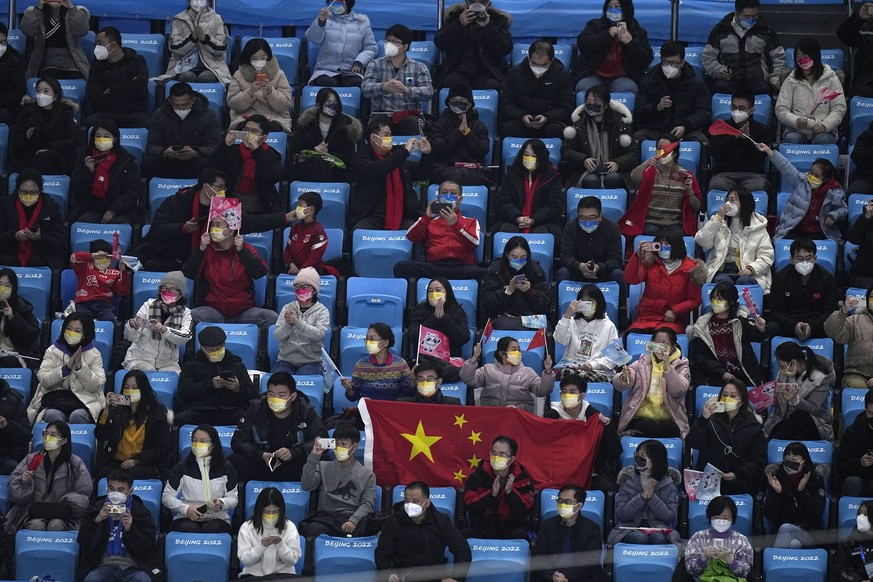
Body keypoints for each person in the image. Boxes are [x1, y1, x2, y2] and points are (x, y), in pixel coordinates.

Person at [133, 168, 294, 272]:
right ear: (206, 187)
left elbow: (254, 222)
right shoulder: (176, 202)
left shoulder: (224, 207)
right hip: (174, 256)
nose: (223, 191)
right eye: (220, 186)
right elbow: (157, 229)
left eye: (224, 187)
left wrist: (285, 217)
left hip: (210, 262)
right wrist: (182, 228)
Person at [182, 216, 279, 330]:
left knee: (272, 317)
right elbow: (189, 274)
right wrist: (201, 249)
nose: (213, 229)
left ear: (231, 230)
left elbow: (260, 273)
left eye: (218, 225)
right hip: (213, 311)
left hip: (243, 312)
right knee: (189, 316)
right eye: (212, 225)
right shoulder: (206, 250)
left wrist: (242, 251)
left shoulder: (246, 249)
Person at [230, 371, 323, 483]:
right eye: (271, 394)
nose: (275, 398)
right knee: (235, 461)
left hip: (294, 464)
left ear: (293, 397)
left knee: (322, 461)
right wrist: (260, 455)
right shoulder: (255, 409)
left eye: (281, 395)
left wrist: (294, 452)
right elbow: (238, 441)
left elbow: (321, 439)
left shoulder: (305, 411)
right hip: (263, 463)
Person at [4, 420, 92, 533]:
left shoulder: (75, 464)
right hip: (32, 512)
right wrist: (25, 484)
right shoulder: (31, 460)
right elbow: (13, 493)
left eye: (53, 435)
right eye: (46, 433)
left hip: (63, 516)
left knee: (56, 525)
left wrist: (65, 502)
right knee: (35, 525)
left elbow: (83, 497)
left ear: (64, 440)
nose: (48, 437)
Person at [376, 480, 472, 582]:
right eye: (407, 501)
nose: (410, 505)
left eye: (415, 501)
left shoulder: (441, 520)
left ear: (427, 502)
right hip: (402, 577)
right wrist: (388, 574)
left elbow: (462, 549)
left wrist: (456, 578)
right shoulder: (393, 522)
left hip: (434, 577)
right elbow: (382, 553)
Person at [393, 180, 489, 281]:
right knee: (401, 267)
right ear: (438, 197)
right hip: (435, 267)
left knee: (491, 274)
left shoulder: (471, 221)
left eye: (453, 193)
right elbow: (411, 236)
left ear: (460, 199)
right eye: (444, 192)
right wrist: (426, 218)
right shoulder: (430, 221)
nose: (448, 196)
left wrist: (456, 225)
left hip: (461, 267)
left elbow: (474, 243)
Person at [685, 381, 767, 495]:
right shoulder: (710, 420)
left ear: (742, 400)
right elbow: (693, 443)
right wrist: (703, 420)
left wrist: (737, 474)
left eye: (733, 396)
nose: (728, 398)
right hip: (710, 481)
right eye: (724, 395)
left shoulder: (753, 427)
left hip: (739, 481)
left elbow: (758, 461)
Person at [350, 114, 430, 230]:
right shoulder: (361, 157)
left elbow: (423, 173)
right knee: (359, 231)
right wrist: (403, 153)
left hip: (403, 215)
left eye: (390, 135)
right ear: (374, 137)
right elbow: (377, 169)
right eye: (386, 135)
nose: (390, 139)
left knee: (418, 231)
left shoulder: (397, 159)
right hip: (372, 215)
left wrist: (427, 155)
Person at [77, 469, 158, 582]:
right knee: (91, 579)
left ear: (130, 491)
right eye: (111, 489)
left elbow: (148, 549)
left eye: (120, 490)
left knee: (143, 580)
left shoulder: (141, 513)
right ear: (106, 488)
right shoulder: (94, 510)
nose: (115, 494)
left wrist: (131, 529)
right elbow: (84, 544)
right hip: (102, 566)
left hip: (134, 568)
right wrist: (97, 521)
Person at [545, 374, 621, 492]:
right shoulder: (550, 418)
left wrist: (607, 428)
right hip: (558, 471)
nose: (566, 395)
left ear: (582, 395)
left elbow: (613, 452)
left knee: (606, 488)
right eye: (563, 392)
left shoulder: (595, 418)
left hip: (590, 473)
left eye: (571, 392)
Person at [299, 422, 377, 537]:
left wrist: (353, 520)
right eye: (336, 443)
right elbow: (306, 485)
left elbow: (367, 504)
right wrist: (314, 456)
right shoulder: (322, 466)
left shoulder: (368, 475)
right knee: (309, 530)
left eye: (343, 444)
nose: (339, 447)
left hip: (351, 517)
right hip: (326, 518)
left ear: (354, 446)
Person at [759, 143, 847, 241]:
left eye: (816, 176)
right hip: (793, 230)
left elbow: (843, 209)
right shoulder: (801, 181)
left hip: (818, 234)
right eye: (811, 173)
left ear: (826, 179)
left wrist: (832, 215)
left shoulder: (835, 192)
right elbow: (786, 167)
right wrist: (770, 152)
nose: (812, 177)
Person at [29, 313, 106, 424]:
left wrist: (80, 368)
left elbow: (96, 386)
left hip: (85, 401)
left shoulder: (94, 354)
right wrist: (66, 368)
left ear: (84, 334)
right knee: (52, 415)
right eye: (69, 329)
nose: (71, 333)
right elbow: (44, 380)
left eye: (77, 331)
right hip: (54, 400)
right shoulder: (52, 351)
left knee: (78, 415)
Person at [624, 230, 706, 334]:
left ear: (676, 245)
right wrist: (637, 257)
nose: (662, 247)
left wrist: (675, 311)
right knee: (629, 335)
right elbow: (630, 279)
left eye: (667, 244)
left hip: (672, 320)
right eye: (660, 244)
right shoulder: (650, 263)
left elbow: (694, 300)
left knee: (661, 338)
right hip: (647, 318)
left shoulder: (690, 269)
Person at [94, 371, 171, 481]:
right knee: (104, 473)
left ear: (143, 389)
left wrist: (137, 460)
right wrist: (106, 411)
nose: (130, 391)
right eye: (126, 387)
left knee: (130, 475)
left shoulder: (156, 413)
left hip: (144, 462)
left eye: (134, 387)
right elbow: (101, 435)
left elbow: (161, 449)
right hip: (117, 462)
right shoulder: (116, 410)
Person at [613, 328, 690, 438]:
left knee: (669, 429)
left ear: (673, 346)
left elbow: (678, 391)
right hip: (640, 416)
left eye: (665, 343)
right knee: (651, 428)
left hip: (670, 417)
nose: (660, 346)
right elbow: (620, 385)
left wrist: (667, 364)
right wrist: (624, 378)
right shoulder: (641, 362)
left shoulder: (682, 366)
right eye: (657, 342)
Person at [162, 424, 239, 534]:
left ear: (213, 445)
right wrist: (185, 509)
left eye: (203, 441)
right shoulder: (181, 467)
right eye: (195, 440)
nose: (198, 444)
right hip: (187, 517)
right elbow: (167, 497)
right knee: (189, 529)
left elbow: (233, 498)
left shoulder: (226, 467)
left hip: (217, 518)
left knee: (211, 529)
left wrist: (222, 503)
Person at [690, 283, 769, 388]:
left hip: (744, 376)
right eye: (713, 298)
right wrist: (721, 372)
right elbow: (700, 358)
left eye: (720, 299)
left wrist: (761, 329)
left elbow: (759, 337)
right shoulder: (701, 325)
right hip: (715, 376)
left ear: (731, 302)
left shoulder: (741, 320)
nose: (715, 301)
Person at [695, 188, 774, 291]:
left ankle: (746, 307)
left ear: (745, 203)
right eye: (727, 200)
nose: (728, 203)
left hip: (748, 271)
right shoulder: (719, 222)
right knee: (724, 283)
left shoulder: (758, 227)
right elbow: (702, 241)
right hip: (722, 270)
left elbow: (767, 255)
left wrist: (752, 269)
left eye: (733, 200)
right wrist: (718, 218)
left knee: (745, 282)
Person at [176, 326, 257, 426]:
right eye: (211, 349)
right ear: (202, 348)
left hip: (231, 410)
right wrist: (210, 385)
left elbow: (252, 395)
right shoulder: (191, 366)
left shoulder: (237, 365)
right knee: (180, 419)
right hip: (201, 411)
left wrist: (238, 388)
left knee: (250, 419)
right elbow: (184, 393)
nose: (215, 351)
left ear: (224, 345)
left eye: (219, 348)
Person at [361, 23, 434, 135]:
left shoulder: (419, 67)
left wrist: (406, 90)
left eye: (394, 41)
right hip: (382, 113)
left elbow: (428, 92)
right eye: (387, 40)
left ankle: (413, 152)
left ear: (405, 46)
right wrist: (384, 87)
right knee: (378, 124)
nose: (388, 44)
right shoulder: (374, 64)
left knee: (411, 123)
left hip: (409, 114)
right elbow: (366, 89)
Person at [622, 138, 703, 237]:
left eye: (665, 149)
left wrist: (690, 191)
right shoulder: (650, 172)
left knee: (674, 236)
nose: (661, 152)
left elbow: (697, 206)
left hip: (676, 225)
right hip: (651, 223)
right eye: (659, 148)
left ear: (674, 154)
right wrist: (646, 163)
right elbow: (634, 177)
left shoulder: (686, 175)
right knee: (653, 232)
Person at [562, 85, 638, 190]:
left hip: (615, 172)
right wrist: (583, 159)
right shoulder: (579, 123)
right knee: (590, 180)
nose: (591, 105)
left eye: (596, 102)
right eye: (588, 102)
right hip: (585, 171)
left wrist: (618, 163)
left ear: (606, 105)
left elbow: (633, 153)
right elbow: (566, 150)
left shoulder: (620, 123)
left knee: (613, 178)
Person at [634, 41, 711, 144]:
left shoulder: (696, 83)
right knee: (637, 138)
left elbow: (704, 113)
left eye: (673, 63)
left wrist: (685, 126)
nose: (669, 67)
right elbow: (638, 113)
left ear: (682, 63)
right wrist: (657, 107)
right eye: (665, 62)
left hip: (684, 131)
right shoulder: (649, 82)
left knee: (701, 141)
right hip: (656, 130)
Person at [702, 0, 786, 95]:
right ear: (736, 14)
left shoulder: (766, 31)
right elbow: (708, 58)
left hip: (757, 79)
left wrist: (775, 77)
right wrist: (719, 70)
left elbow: (778, 58)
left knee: (763, 90)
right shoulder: (720, 30)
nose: (752, 19)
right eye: (747, 17)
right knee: (719, 88)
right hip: (729, 79)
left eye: (755, 16)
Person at [69, 118, 141, 225]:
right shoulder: (84, 157)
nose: (101, 139)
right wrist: (89, 172)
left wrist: (113, 210)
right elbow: (76, 188)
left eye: (106, 136)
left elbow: (131, 192)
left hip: (120, 211)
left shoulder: (126, 161)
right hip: (91, 208)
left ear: (114, 139)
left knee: (117, 224)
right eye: (98, 136)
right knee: (84, 222)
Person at [607, 439, 680, 545]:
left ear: (655, 460)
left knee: (658, 538)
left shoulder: (668, 484)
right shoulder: (628, 480)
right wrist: (641, 498)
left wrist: (652, 498)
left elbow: (669, 516)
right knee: (640, 538)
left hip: (659, 528)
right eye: (638, 454)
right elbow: (623, 514)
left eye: (643, 456)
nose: (638, 458)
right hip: (629, 528)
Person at [143, 81, 221, 179]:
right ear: (171, 102)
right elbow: (151, 146)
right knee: (150, 162)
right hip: (168, 162)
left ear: (193, 100)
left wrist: (196, 153)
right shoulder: (159, 115)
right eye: (176, 105)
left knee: (205, 164)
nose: (181, 109)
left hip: (194, 162)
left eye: (185, 105)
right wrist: (163, 152)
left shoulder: (208, 116)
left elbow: (215, 147)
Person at [462, 435, 535, 539]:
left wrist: (511, 493)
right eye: (493, 453)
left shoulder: (523, 479)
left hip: (511, 528)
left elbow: (525, 511)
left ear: (511, 459)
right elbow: (469, 507)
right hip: (483, 527)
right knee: (463, 536)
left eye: (502, 454)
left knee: (521, 536)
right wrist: (491, 495)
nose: (496, 457)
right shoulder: (477, 476)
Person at [573, 0, 653, 95]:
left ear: (626, 10)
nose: (612, 10)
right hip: (594, 74)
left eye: (617, 7)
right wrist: (607, 35)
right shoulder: (594, 25)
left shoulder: (638, 31)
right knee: (583, 87)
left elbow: (646, 59)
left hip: (624, 77)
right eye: (609, 6)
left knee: (628, 89)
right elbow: (583, 44)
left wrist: (630, 43)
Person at [776, 38, 846, 145]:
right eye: (798, 56)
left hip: (825, 130)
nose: (802, 60)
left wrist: (825, 125)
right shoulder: (790, 80)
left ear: (815, 56)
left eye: (806, 56)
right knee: (793, 139)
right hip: (797, 130)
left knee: (823, 140)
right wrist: (796, 121)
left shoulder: (832, 80)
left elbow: (839, 109)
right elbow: (781, 110)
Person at [492, 138, 564, 241]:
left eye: (534, 156)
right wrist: (517, 217)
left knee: (540, 234)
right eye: (526, 155)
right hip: (513, 221)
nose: (529, 158)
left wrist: (534, 219)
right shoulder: (512, 174)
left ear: (541, 157)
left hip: (543, 222)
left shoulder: (552, 177)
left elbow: (554, 206)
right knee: (507, 230)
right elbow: (502, 202)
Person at [499, 40, 573, 138]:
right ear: (528, 58)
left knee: (556, 130)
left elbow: (567, 107)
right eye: (534, 64)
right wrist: (521, 116)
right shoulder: (515, 73)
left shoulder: (562, 75)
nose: (538, 68)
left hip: (550, 122)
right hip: (520, 121)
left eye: (544, 65)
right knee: (510, 129)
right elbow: (506, 103)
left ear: (552, 61)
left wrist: (548, 117)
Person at [767, 237, 839, 340]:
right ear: (792, 260)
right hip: (789, 325)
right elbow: (776, 311)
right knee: (771, 327)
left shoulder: (827, 278)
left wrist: (811, 327)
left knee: (835, 328)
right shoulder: (780, 278)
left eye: (809, 258)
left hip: (817, 325)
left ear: (815, 258)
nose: (805, 262)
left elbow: (830, 311)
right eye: (800, 259)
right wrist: (794, 326)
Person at [532, 484, 606, 582]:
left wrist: (566, 577)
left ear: (579, 505)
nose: (562, 504)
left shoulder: (592, 528)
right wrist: (552, 576)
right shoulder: (548, 525)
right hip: (551, 577)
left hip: (581, 577)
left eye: (567, 502)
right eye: (560, 501)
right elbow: (538, 557)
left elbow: (591, 562)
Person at [211, 115, 284, 213]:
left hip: (261, 209)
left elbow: (274, 177)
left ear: (264, 138)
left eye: (254, 131)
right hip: (230, 207)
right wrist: (225, 146)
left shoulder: (271, 154)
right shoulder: (234, 151)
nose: (248, 134)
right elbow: (213, 169)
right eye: (246, 130)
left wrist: (257, 151)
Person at [122, 271, 193, 373]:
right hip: (140, 358)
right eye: (164, 288)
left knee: (174, 377)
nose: (167, 292)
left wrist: (165, 330)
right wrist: (131, 326)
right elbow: (130, 337)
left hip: (168, 362)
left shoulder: (186, 313)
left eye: (172, 289)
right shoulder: (148, 305)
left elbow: (185, 337)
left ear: (180, 294)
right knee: (148, 373)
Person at [287, 87, 361, 183]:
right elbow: (296, 152)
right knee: (317, 161)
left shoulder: (346, 127)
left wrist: (328, 154)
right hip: (308, 168)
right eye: (329, 102)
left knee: (321, 161)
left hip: (336, 170)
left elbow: (349, 157)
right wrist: (314, 152)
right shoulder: (305, 125)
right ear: (318, 105)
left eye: (335, 103)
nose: (333, 106)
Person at [10, 76, 82, 175]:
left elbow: (75, 139)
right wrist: (26, 136)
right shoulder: (28, 112)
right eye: (38, 91)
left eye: (46, 91)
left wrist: (51, 148)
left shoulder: (65, 113)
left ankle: (29, 178)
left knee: (47, 156)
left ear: (56, 95)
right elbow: (15, 142)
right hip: (31, 156)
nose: (41, 95)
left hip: (58, 157)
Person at [434, 0, 512, 91]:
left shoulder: (497, 20)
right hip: (457, 69)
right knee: (453, 84)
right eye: (472, 2)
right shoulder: (454, 16)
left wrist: (488, 28)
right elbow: (441, 43)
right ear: (467, 3)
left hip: (488, 71)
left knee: (492, 86)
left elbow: (505, 49)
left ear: (488, 4)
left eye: (482, 2)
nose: (477, 5)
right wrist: (459, 24)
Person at [764, 342, 835, 441]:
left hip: (815, 424)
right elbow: (779, 410)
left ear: (793, 363)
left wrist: (795, 400)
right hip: (788, 423)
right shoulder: (784, 373)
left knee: (799, 416)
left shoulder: (821, 377)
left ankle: (773, 443)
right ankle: (772, 443)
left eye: (782, 366)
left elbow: (813, 409)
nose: (780, 370)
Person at [462, 338, 555, 412]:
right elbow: (468, 379)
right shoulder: (488, 369)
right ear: (502, 354)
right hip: (492, 417)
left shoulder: (528, 372)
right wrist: (473, 359)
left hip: (519, 418)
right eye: (514, 350)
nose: (518, 352)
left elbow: (543, 391)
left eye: (519, 349)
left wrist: (547, 372)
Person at [406, 277, 471, 382]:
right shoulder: (420, 310)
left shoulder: (457, 310)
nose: (433, 293)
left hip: (449, 360)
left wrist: (445, 318)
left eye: (438, 290)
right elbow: (413, 336)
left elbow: (463, 338)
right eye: (430, 291)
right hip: (425, 359)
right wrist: (434, 318)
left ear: (447, 292)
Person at [763, 441, 826, 548]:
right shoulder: (776, 479)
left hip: (809, 532)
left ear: (804, 461)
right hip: (781, 532)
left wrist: (802, 492)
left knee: (786, 528)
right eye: (787, 460)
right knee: (794, 544)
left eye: (794, 460)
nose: (790, 463)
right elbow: (769, 515)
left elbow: (816, 514)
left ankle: (776, 559)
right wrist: (777, 493)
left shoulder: (815, 480)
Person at [480, 236, 551, 330]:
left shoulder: (535, 269)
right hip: (502, 316)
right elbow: (486, 302)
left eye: (523, 257)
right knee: (507, 326)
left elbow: (545, 304)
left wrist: (530, 291)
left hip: (530, 316)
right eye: (514, 257)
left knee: (547, 327)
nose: (519, 260)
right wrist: (507, 291)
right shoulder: (496, 270)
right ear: (506, 254)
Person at [84, 27, 150, 128]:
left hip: (132, 114)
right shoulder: (96, 67)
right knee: (90, 122)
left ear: (113, 45)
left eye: (100, 43)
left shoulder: (136, 61)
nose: (97, 47)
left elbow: (140, 87)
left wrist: (111, 90)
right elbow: (94, 98)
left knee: (145, 123)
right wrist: (127, 87)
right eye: (96, 44)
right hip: (106, 114)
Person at [428, 84, 492, 186]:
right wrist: (457, 133)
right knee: (451, 176)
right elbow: (438, 150)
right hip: (446, 168)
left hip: (472, 169)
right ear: (448, 103)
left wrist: (467, 133)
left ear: (470, 104)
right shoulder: (440, 124)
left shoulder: (478, 126)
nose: (457, 103)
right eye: (454, 100)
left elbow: (482, 152)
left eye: (462, 100)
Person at [0, 169, 66, 268]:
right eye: (24, 192)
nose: (28, 196)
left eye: (33, 192)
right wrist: (14, 236)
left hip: (41, 255)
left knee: (36, 262)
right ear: (17, 190)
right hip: (11, 252)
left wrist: (41, 238)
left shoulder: (51, 209)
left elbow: (60, 244)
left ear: (40, 191)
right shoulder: (5, 207)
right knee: (9, 261)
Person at [226, 38, 294, 134]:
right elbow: (233, 104)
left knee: (271, 129)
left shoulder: (279, 74)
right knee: (245, 128)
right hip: (246, 118)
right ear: (248, 58)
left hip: (273, 118)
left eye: (263, 58)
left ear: (268, 57)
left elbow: (285, 105)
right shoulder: (238, 75)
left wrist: (271, 92)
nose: (259, 61)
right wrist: (250, 92)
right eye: (254, 58)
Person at [554, 285, 621, 381]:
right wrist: (567, 316)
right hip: (573, 367)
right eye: (583, 300)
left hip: (597, 370)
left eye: (590, 300)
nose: (586, 303)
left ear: (598, 302)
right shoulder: (571, 321)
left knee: (587, 378)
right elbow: (559, 340)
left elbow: (614, 356)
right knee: (567, 374)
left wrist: (592, 364)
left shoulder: (609, 326)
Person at [708, 91, 771, 192]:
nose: (737, 111)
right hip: (725, 173)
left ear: (751, 110)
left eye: (741, 108)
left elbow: (759, 158)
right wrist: (734, 137)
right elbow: (715, 153)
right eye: (734, 107)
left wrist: (747, 138)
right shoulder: (721, 127)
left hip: (752, 175)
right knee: (717, 184)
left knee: (756, 187)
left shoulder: (762, 130)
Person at [306, 0, 377, 88]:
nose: (335, 4)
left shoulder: (362, 23)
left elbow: (371, 48)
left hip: (351, 72)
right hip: (325, 71)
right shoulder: (325, 19)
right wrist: (320, 23)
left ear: (348, 3)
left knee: (355, 84)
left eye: (339, 1)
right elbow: (313, 39)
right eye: (332, 1)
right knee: (328, 83)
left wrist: (360, 61)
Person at [272, 267, 329, 375]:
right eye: (297, 286)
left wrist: (297, 323)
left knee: (303, 380)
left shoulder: (322, 311)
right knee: (280, 380)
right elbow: (277, 336)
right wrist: (288, 325)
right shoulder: (287, 308)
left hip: (312, 362)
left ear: (314, 290)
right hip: (285, 361)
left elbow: (318, 334)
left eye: (305, 287)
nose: (300, 289)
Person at [237, 487, 303, 580]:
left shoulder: (290, 527)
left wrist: (280, 546)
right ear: (260, 510)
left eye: (275, 512)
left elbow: (292, 561)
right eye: (267, 512)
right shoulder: (247, 527)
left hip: (283, 576)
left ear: (281, 510)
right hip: (254, 576)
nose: (271, 515)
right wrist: (261, 546)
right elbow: (246, 561)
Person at [683, 496, 754, 581]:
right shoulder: (698, 537)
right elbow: (690, 570)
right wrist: (703, 557)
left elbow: (746, 572)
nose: (721, 521)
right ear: (710, 517)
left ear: (732, 518)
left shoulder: (741, 540)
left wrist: (730, 560)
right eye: (716, 517)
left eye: (726, 518)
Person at [557, 196, 624, 284]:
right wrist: (580, 266)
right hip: (577, 272)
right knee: (563, 272)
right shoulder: (570, 227)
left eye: (592, 218)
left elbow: (616, 260)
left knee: (618, 274)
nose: (587, 222)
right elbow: (565, 257)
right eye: (582, 218)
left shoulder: (612, 228)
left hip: (603, 273)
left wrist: (599, 267)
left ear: (600, 216)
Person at [341, 323, 413, 402]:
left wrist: (413, 379)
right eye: (367, 339)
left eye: (372, 339)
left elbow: (408, 394)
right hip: (368, 411)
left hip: (392, 410)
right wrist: (349, 390)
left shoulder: (400, 364)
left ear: (385, 342)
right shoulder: (361, 365)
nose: (368, 342)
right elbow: (353, 397)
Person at [164, 0, 231, 84]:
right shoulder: (178, 20)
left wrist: (205, 39)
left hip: (212, 67)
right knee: (187, 77)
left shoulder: (217, 19)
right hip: (183, 65)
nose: (198, 2)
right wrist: (192, 38)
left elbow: (221, 49)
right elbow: (175, 49)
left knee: (206, 77)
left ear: (208, 2)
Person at [20, 0, 90, 80]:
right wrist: (39, 8)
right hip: (45, 60)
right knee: (50, 78)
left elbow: (82, 31)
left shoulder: (74, 12)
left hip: (71, 59)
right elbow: (28, 31)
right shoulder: (35, 12)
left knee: (77, 79)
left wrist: (71, 7)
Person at [69, 239, 132, 322]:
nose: (104, 259)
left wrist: (123, 272)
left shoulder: (115, 273)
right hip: (84, 304)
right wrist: (92, 256)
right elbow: (74, 257)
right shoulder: (84, 267)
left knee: (109, 319)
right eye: (101, 257)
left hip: (105, 305)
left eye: (107, 257)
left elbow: (123, 291)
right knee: (82, 321)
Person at [282, 191, 341, 278]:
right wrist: (291, 264)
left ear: (311, 209)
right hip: (293, 269)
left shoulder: (318, 231)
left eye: (301, 205)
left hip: (313, 271)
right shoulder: (294, 228)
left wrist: (302, 270)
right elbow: (287, 250)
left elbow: (315, 257)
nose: (297, 208)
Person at [826, 287, 873, 389]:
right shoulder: (855, 320)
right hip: (856, 374)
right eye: (872, 296)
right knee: (857, 387)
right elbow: (833, 333)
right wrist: (843, 311)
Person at [0, 268, 41, 368]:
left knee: (9, 362)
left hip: (16, 354)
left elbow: (31, 335)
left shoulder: (22, 308)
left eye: (7, 285)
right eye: (0, 284)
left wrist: (12, 317)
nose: (3, 288)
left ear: (13, 288)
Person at [836, 390, 873, 497]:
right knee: (852, 482)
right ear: (865, 410)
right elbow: (840, 467)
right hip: (861, 480)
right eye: (871, 413)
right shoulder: (852, 432)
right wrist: (859, 463)